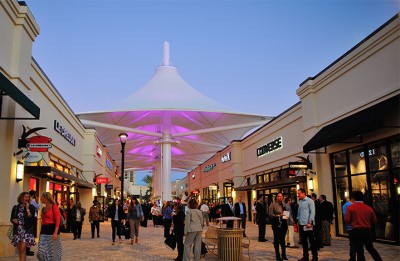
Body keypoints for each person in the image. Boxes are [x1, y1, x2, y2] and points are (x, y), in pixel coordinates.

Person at [344, 191, 382, 261]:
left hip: (356, 230)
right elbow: (374, 220)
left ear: (354, 198)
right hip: (367, 230)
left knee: (359, 250)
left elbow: (347, 220)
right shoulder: (369, 208)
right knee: (370, 248)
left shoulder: (350, 208)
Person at [10, 192, 36, 260]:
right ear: (21, 198)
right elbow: (11, 218)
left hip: (27, 230)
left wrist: (27, 209)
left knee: (22, 249)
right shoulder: (16, 207)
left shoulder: (31, 207)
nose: (27, 199)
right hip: (18, 230)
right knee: (21, 251)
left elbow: (31, 218)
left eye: (28, 197)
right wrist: (14, 220)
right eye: (25, 197)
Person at [37, 192, 62, 261]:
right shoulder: (43, 208)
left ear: (46, 198)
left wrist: (55, 232)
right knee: (41, 251)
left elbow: (58, 220)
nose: (40, 199)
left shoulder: (54, 207)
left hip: (52, 230)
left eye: (41, 197)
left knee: (53, 252)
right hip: (44, 230)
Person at [297, 188, 318, 261]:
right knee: (304, 241)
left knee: (312, 241)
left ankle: (315, 257)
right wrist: (298, 220)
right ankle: (305, 256)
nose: (298, 195)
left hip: (308, 224)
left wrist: (310, 222)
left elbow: (312, 212)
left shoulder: (310, 201)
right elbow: (299, 212)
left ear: (303, 193)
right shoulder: (300, 202)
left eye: (299, 193)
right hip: (301, 224)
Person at [269, 193, 289, 261]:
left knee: (283, 240)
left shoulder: (284, 204)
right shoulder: (273, 204)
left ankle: (284, 254)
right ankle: (278, 255)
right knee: (277, 240)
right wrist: (278, 216)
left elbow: (286, 214)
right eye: (279, 196)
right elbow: (270, 214)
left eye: (281, 196)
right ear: (276, 197)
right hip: (276, 224)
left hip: (283, 224)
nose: (280, 198)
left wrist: (285, 216)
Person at [27, 190, 39, 256]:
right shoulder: (33, 201)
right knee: (30, 233)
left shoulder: (31, 201)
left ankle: (28, 249)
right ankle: (27, 249)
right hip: (32, 218)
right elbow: (38, 208)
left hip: (32, 218)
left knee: (30, 234)